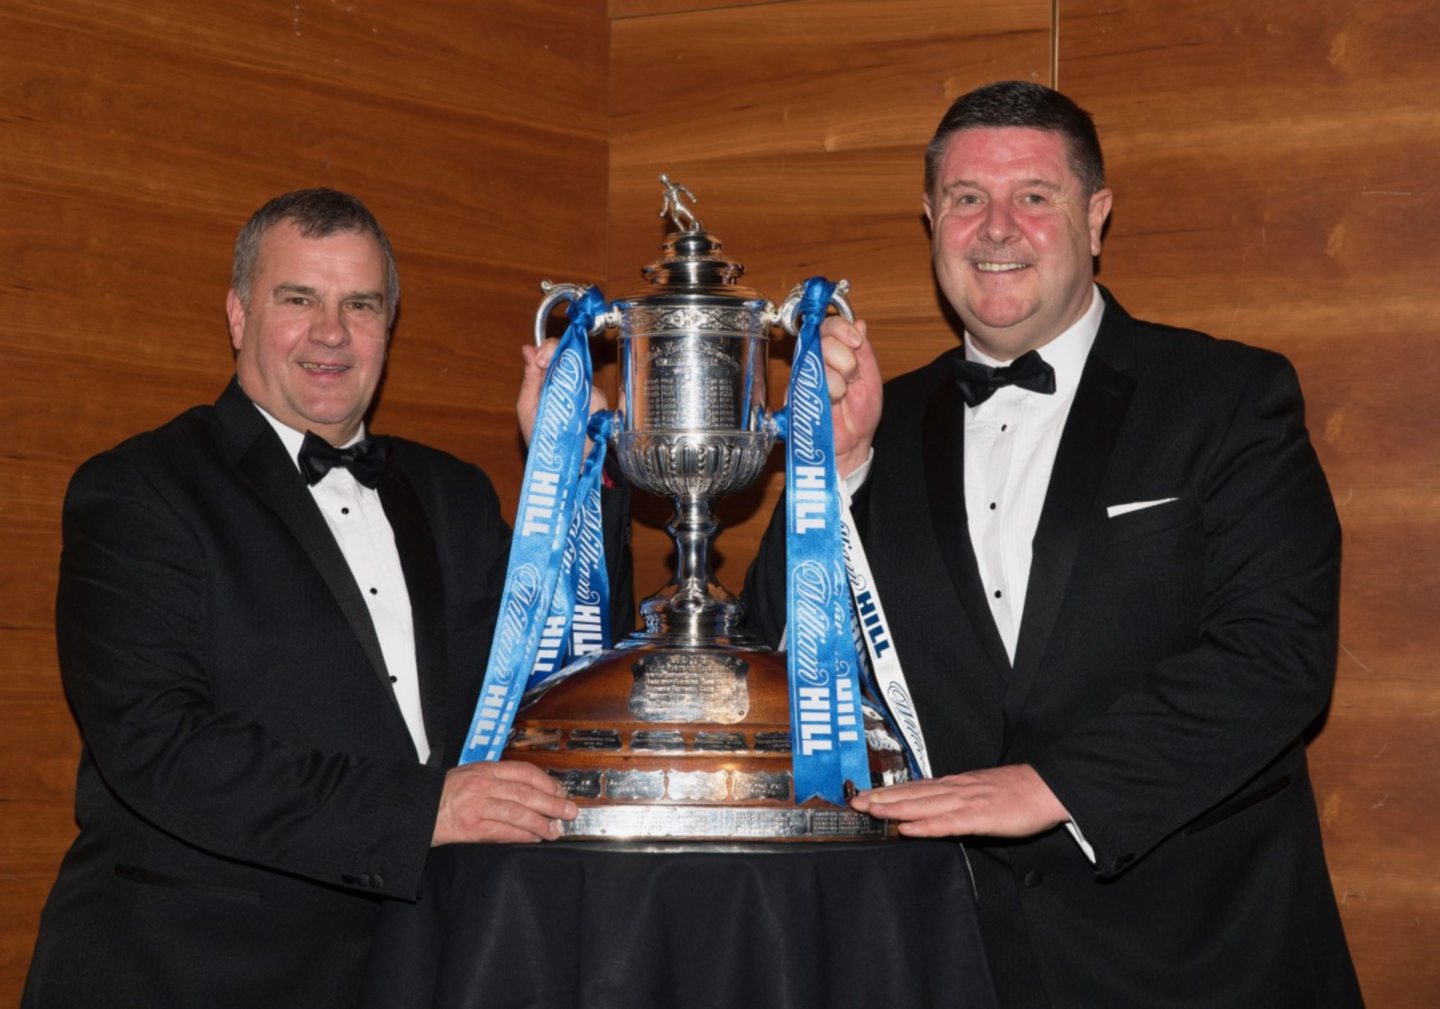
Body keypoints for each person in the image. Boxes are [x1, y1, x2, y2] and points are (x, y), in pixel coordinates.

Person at [743, 81, 1363, 1006]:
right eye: (965, 199)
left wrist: (1058, 785)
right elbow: (772, 669)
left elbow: (1277, 656)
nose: (997, 227)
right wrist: (841, 472)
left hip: (1196, 961)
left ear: (1096, 217)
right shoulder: (874, 421)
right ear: (930, 220)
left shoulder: (1228, 397)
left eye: (1034, 195)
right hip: (941, 959)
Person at [23, 188, 630, 1009]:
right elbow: (161, 746)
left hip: (430, 966)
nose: (331, 333)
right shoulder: (138, 491)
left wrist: (578, 476)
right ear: (238, 315)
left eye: (360, 304)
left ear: (389, 326)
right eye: (298, 298)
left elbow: (570, 686)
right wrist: (422, 811)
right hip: (192, 974)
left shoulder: (452, 494)